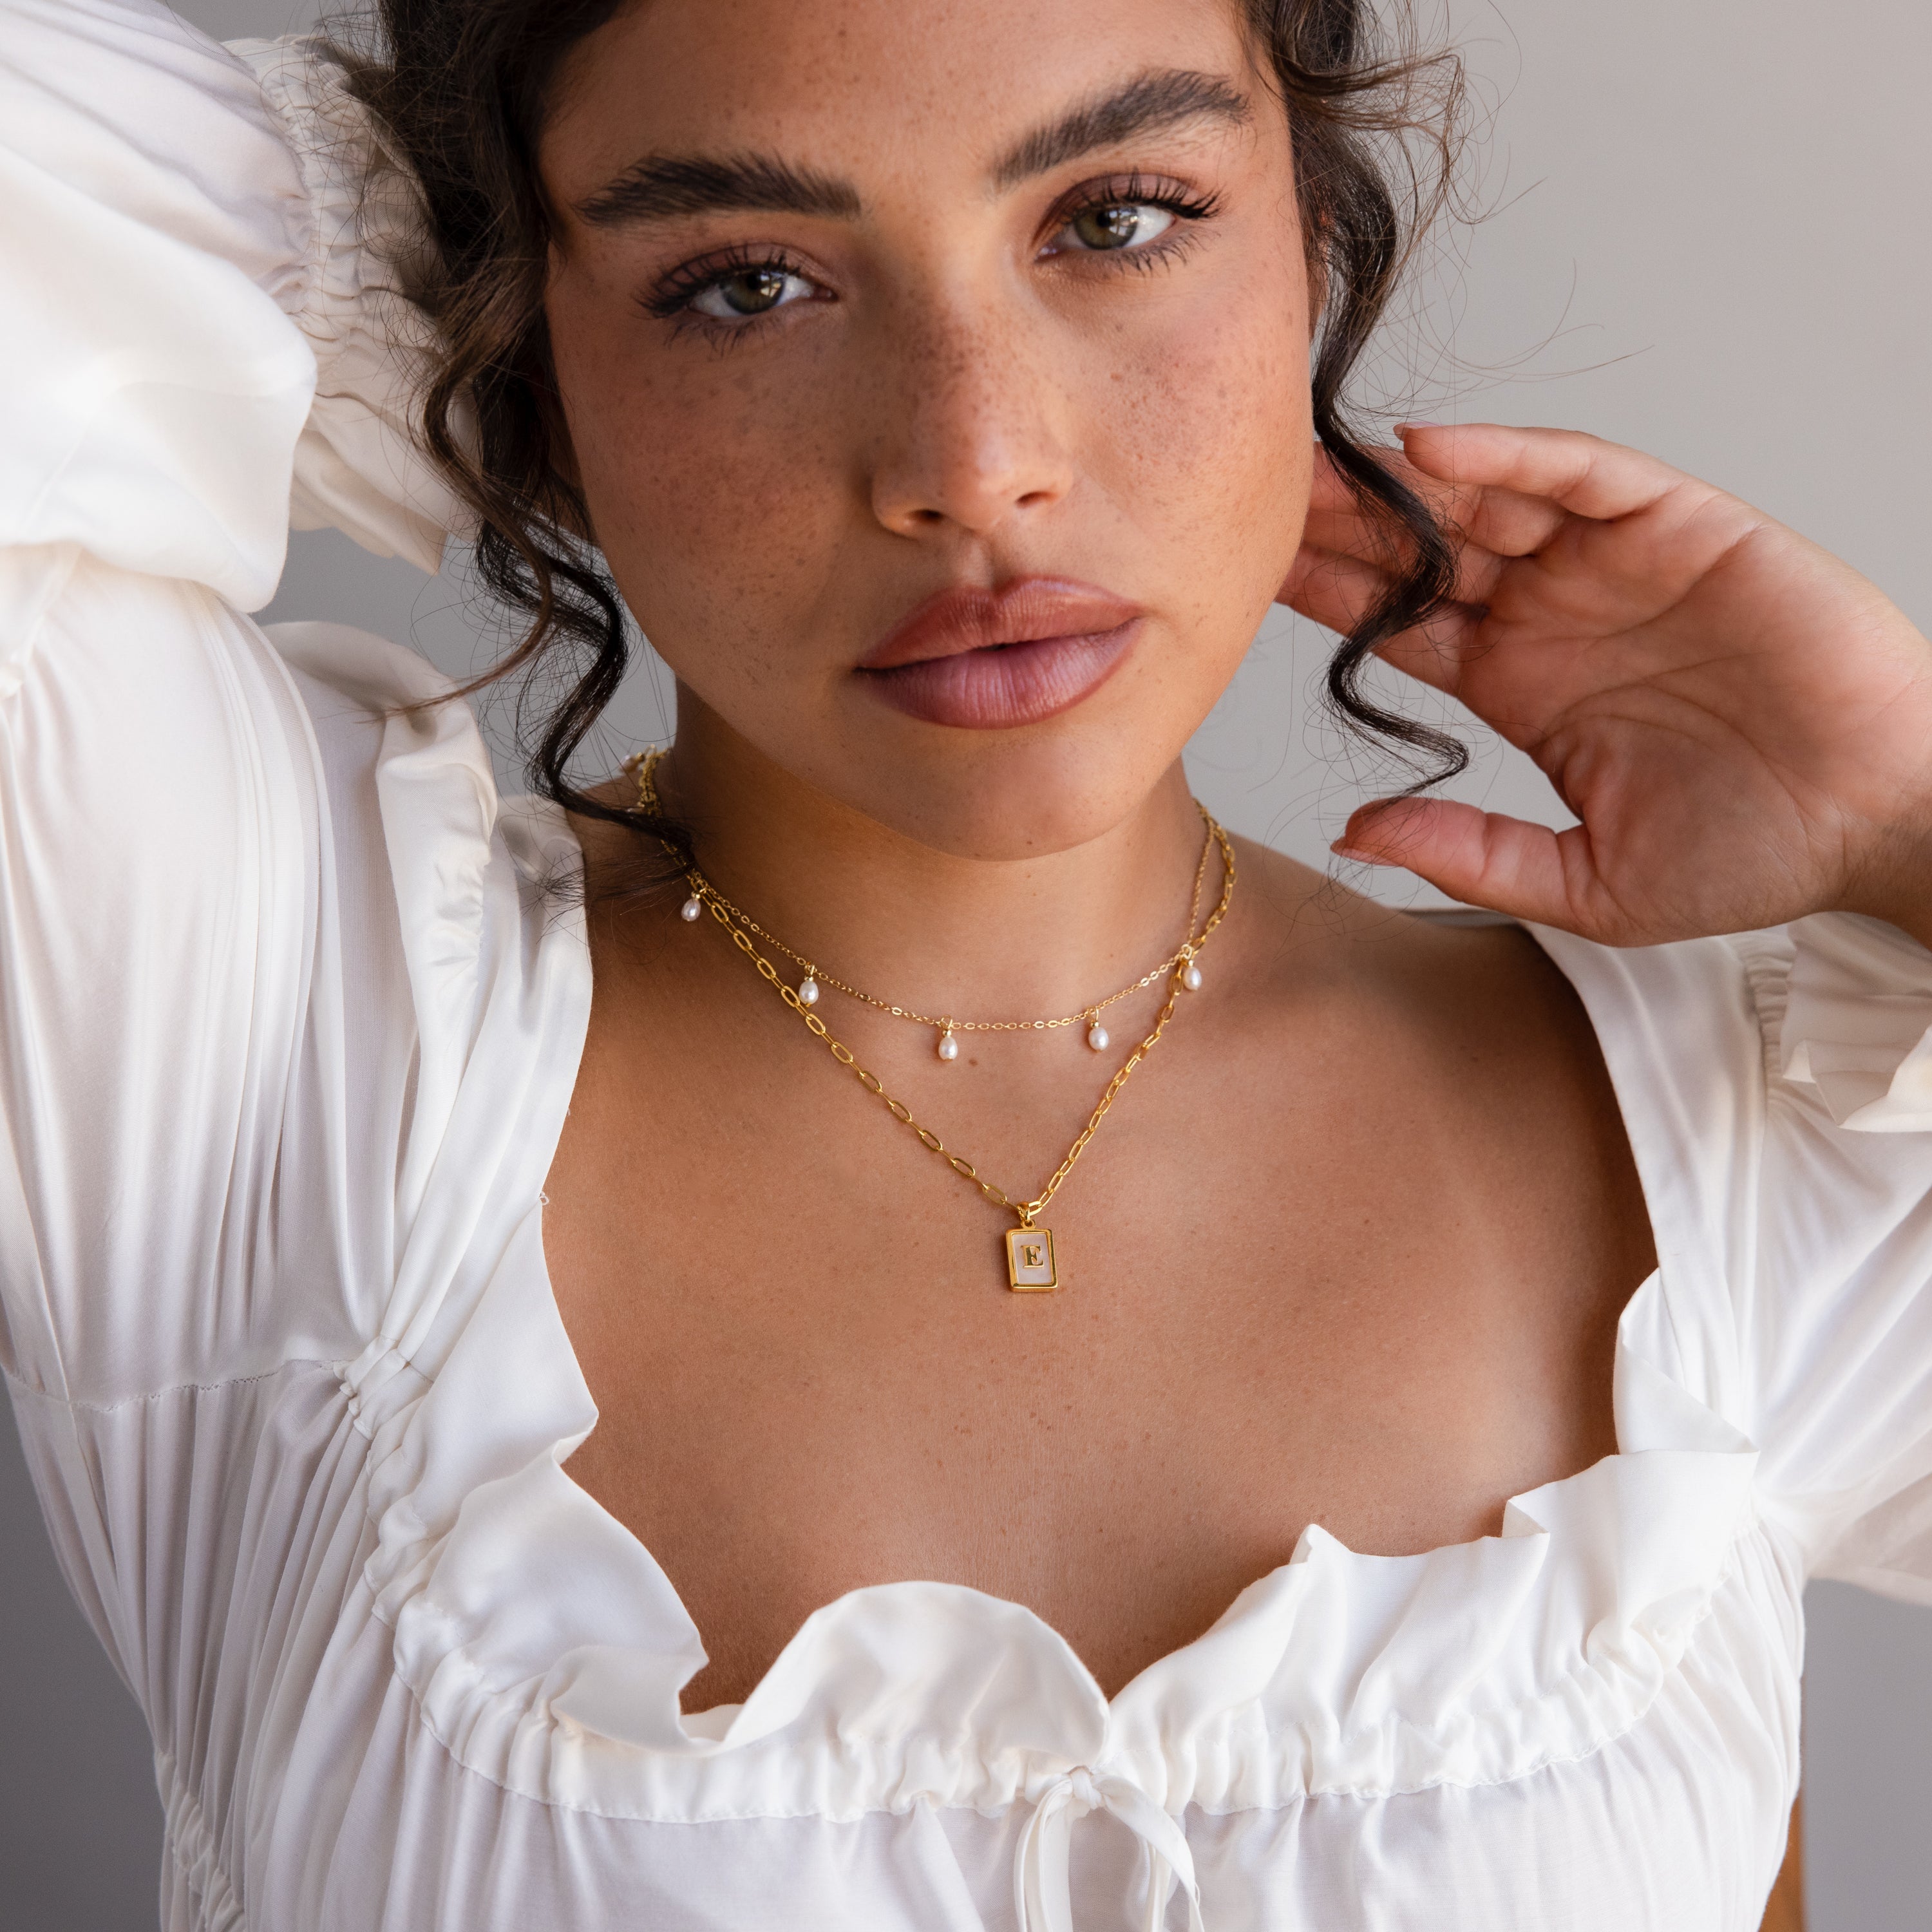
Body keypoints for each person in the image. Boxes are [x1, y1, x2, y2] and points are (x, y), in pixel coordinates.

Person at [1, 0, 1926, 1926]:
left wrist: (1906, 817)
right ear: (528, 335)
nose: (974, 461)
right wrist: (427, 210)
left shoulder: (1731, 1149)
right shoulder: (257, 1043)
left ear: (1312, 246)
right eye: (745, 282)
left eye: (1114, 218)